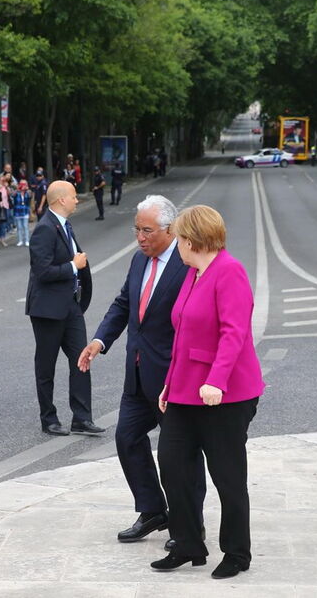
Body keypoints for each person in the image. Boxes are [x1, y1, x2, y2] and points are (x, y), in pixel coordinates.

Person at [77, 195, 206, 548]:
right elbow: (123, 304)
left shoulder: (186, 264)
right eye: (136, 229)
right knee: (127, 438)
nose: (140, 237)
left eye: (147, 230)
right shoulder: (138, 260)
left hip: (172, 379)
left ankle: (190, 524)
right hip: (136, 373)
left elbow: (195, 323)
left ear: (170, 230)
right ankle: (152, 510)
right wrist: (100, 341)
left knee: (181, 454)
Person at [152, 205, 264, 580]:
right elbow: (182, 334)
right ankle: (187, 544)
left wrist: (216, 380)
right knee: (171, 463)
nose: (176, 245)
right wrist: (170, 381)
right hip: (186, 390)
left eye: (178, 238)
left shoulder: (229, 271)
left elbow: (235, 333)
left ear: (190, 239)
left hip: (226, 395)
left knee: (227, 476)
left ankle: (236, 552)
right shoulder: (192, 272)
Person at [25, 180, 103, 437]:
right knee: (46, 366)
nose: (77, 200)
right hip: (47, 309)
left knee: (81, 360)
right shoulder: (45, 229)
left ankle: (82, 418)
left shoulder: (64, 225)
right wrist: (73, 266)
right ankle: (49, 418)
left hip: (70, 306)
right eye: (73, 196)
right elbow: (42, 271)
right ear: (60, 200)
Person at [12, 179, 31, 246]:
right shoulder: (17, 192)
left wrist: (26, 189)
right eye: (21, 184)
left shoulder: (27, 192)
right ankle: (20, 240)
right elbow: (12, 195)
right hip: (18, 211)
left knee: (25, 226)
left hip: (25, 211)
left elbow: (29, 196)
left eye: (24, 184)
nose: (23, 186)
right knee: (19, 227)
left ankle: (27, 240)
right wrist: (17, 189)